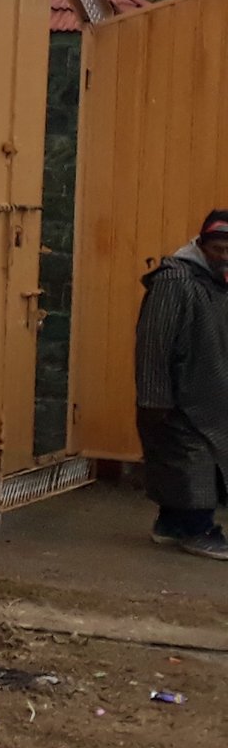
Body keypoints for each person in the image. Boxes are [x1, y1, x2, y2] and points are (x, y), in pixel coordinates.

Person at [134, 209, 228, 558]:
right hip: (178, 397)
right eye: (218, 248)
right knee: (191, 460)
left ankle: (171, 523)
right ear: (201, 245)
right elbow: (154, 342)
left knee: (192, 462)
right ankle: (197, 528)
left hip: (209, 393)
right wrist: (153, 397)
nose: (225, 256)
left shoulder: (215, 283)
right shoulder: (176, 280)